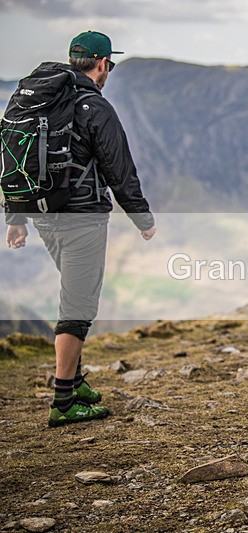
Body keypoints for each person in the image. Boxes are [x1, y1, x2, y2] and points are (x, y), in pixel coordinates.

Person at [5, 31, 156, 426]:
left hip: (44, 215)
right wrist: (142, 217)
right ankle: (64, 401)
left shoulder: (40, 101)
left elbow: (18, 162)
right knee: (78, 306)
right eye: (110, 65)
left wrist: (16, 218)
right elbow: (119, 168)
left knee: (74, 293)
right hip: (83, 217)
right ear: (103, 63)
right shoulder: (94, 106)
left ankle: (75, 379)